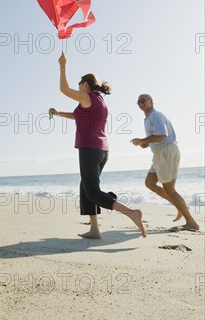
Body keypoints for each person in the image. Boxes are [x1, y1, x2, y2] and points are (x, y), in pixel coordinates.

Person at [50, 52, 146, 239]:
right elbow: (77, 115)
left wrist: (62, 65)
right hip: (102, 150)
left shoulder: (87, 98)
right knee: (85, 187)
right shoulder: (98, 101)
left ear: (85, 84)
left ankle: (132, 213)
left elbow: (63, 88)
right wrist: (59, 113)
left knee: (92, 191)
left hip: (89, 149)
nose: (78, 86)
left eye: (80, 83)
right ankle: (94, 229)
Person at [130, 94, 199, 231]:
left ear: (151, 101)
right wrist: (145, 143)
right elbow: (157, 137)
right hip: (160, 153)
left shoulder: (155, 115)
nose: (140, 103)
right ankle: (180, 206)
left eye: (143, 100)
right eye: (138, 101)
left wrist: (142, 140)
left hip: (166, 152)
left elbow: (163, 135)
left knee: (170, 190)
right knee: (150, 183)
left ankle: (191, 222)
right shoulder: (149, 118)